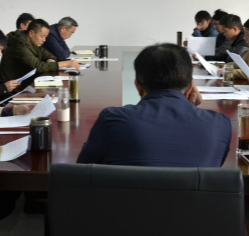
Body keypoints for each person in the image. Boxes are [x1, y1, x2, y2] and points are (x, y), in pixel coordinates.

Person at [77, 43, 231, 166]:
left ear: (138, 86)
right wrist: (188, 109)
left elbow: (83, 171)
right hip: (193, 198)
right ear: (190, 88)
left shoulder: (112, 119)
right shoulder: (218, 124)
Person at [0, 19, 80, 82]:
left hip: (25, 83)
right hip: (12, 88)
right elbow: (38, 66)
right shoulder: (19, 46)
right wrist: (66, 64)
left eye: (45, 37)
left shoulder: (33, 42)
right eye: (42, 36)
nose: (44, 40)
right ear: (31, 33)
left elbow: (48, 55)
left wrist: (50, 59)